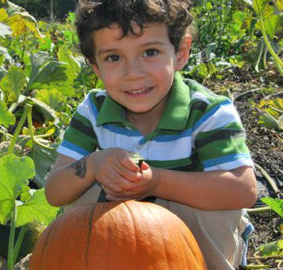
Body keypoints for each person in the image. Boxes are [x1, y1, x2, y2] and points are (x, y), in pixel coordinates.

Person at [44, 0, 257, 269]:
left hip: (196, 247)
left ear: (180, 52)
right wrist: (93, 166)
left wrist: (155, 182)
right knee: (82, 192)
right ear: (95, 66)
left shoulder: (207, 112)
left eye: (150, 52)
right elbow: (54, 192)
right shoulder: (93, 111)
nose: (133, 73)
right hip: (127, 246)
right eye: (113, 58)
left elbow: (243, 189)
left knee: (212, 211)